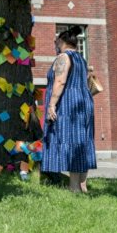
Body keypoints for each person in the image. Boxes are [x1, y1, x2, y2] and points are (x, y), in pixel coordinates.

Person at [41, 26, 96, 193]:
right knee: (83, 141)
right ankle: (82, 185)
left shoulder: (63, 57)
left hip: (68, 104)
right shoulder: (81, 59)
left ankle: (74, 188)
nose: (55, 44)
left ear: (62, 42)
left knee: (71, 140)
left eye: (56, 41)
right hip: (84, 103)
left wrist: (51, 104)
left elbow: (60, 81)